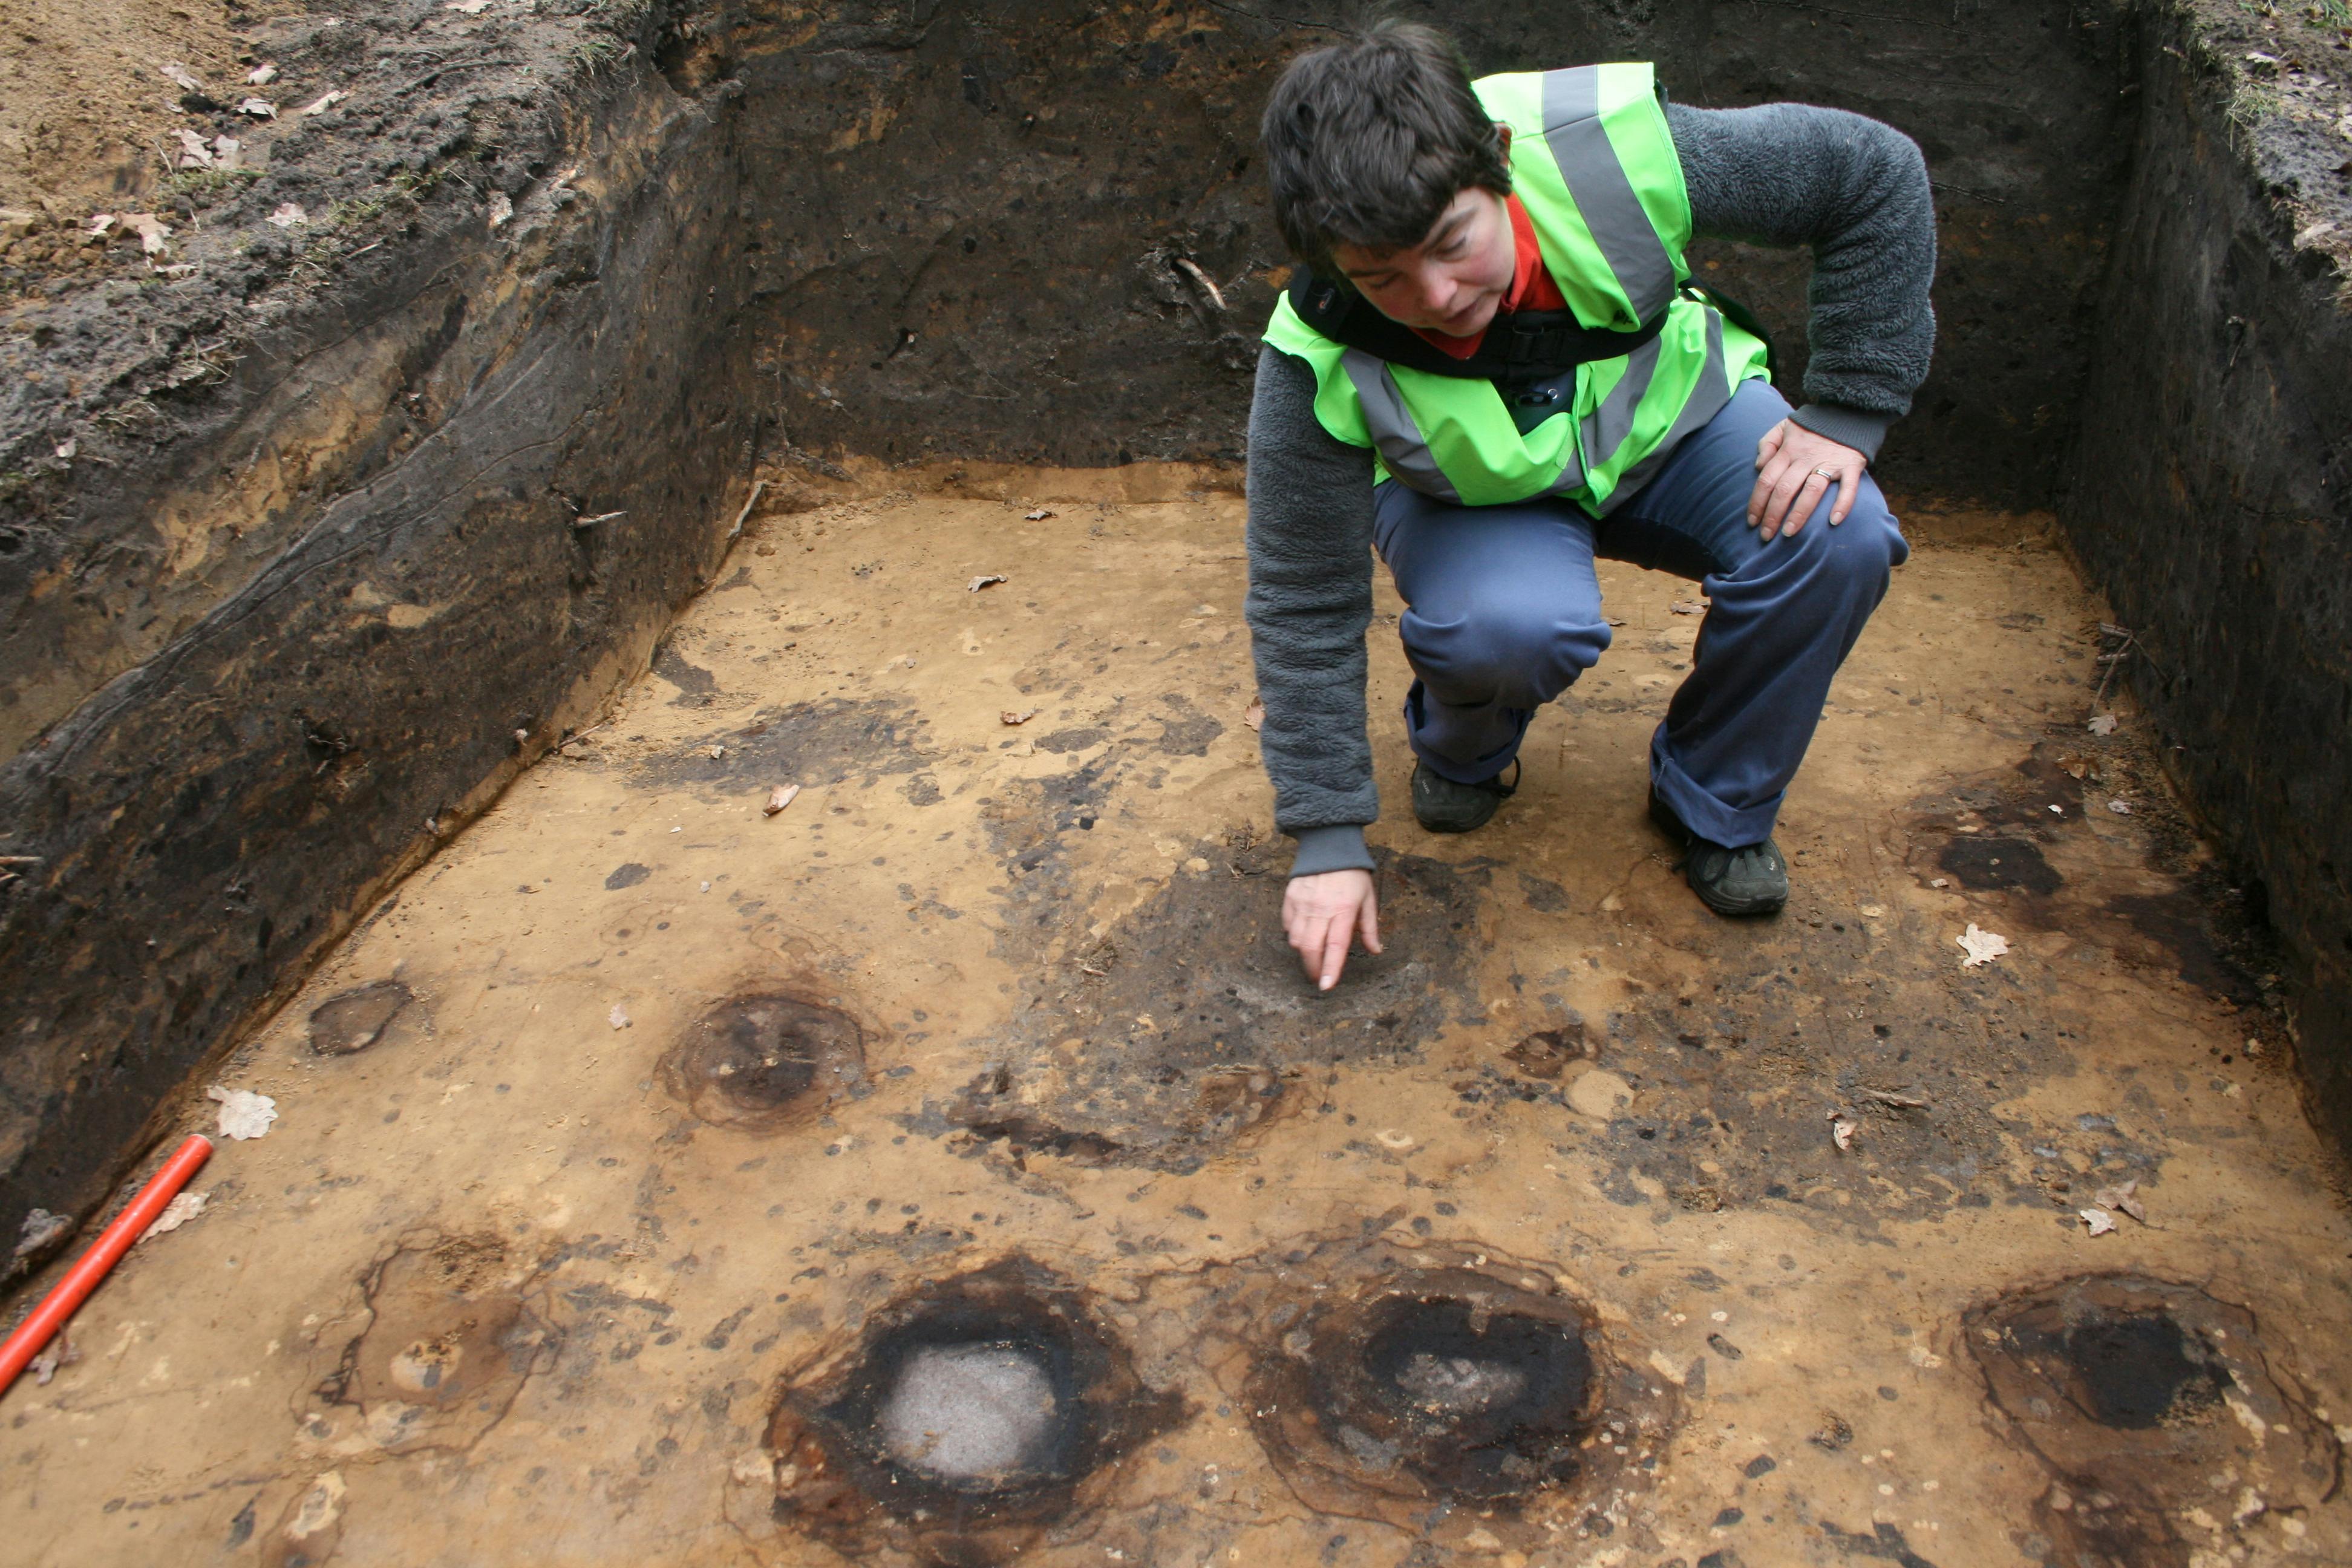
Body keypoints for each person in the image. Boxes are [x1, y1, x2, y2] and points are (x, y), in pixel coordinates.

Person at [1245, 21, 1935, 990]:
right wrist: (1325, 835)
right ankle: (1467, 747)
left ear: (1502, 165)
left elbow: (1870, 173)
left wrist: (1850, 409)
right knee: (1509, 628)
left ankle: (1713, 804)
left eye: (1454, 244)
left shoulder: (1613, 153)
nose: (1437, 295)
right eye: (1380, 278)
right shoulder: (1312, 352)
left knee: (1838, 530)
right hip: (1472, 501)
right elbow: (1301, 602)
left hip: (1674, 432)